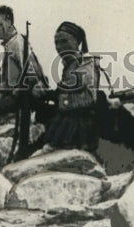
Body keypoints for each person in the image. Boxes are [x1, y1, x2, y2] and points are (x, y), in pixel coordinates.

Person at [34, 21, 100, 152]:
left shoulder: (85, 65)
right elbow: (65, 90)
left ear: (76, 42)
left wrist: (61, 100)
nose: (59, 47)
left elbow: (88, 98)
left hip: (80, 119)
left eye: (64, 41)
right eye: (56, 43)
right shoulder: (69, 65)